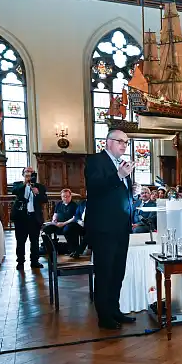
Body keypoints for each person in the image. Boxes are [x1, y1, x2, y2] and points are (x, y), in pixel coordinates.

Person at [84, 130, 135, 329]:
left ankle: (114, 310)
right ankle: (104, 317)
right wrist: (119, 176)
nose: (123, 145)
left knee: (117, 271)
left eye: (126, 142)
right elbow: (95, 187)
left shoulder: (120, 164)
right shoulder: (96, 160)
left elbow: (117, 194)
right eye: (120, 141)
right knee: (104, 272)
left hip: (121, 227)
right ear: (107, 142)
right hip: (104, 227)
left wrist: (131, 190)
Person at [11, 166, 48, 270]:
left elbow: (45, 199)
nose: (29, 174)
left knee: (35, 241)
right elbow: (14, 191)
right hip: (21, 218)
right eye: (27, 172)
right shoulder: (18, 184)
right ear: (23, 174)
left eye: (31, 173)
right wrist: (25, 184)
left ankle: (35, 261)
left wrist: (37, 193)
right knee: (20, 241)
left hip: (34, 218)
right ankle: (20, 262)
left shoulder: (39, 187)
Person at [42, 188, 81, 256]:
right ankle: (49, 248)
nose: (66, 198)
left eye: (67, 196)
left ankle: (72, 250)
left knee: (68, 229)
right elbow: (55, 214)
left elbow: (74, 218)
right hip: (58, 224)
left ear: (70, 196)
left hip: (68, 224)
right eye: (64, 196)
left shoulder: (74, 205)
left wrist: (63, 223)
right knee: (46, 229)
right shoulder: (59, 204)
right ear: (61, 197)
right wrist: (54, 220)